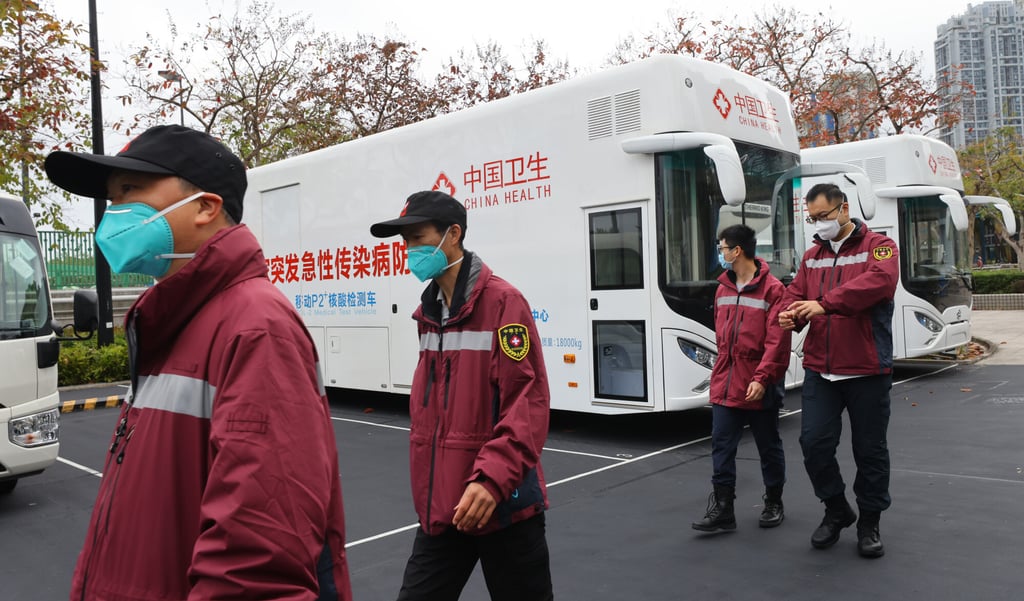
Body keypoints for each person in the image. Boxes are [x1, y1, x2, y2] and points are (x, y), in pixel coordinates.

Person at [44, 125, 352, 600]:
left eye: (130, 191)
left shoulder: (255, 326)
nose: (113, 213)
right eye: (111, 198)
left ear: (206, 207)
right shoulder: (174, 319)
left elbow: (257, 557)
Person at [370, 190, 553, 601]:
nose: (410, 251)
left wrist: (490, 481)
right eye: (406, 242)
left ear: (453, 234)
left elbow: (527, 402)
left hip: (500, 504)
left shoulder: (504, 303)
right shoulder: (429, 314)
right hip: (444, 508)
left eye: (418, 238)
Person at [779, 182, 899, 559]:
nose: (818, 224)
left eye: (824, 216)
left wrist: (823, 304)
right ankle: (836, 509)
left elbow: (879, 283)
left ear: (844, 210)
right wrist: (789, 313)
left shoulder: (880, 246)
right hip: (821, 370)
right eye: (812, 218)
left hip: (866, 369)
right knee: (813, 445)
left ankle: (869, 522)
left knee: (870, 451)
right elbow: (795, 293)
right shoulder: (812, 256)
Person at [692, 224, 791, 533]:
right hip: (726, 380)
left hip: (759, 382)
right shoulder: (722, 289)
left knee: (768, 445)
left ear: (737, 251)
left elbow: (778, 342)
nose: (720, 254)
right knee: (721, 445)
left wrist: (762, 379)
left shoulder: (774, 290)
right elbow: (723, 337)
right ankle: (723, 508)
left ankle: (774, 501)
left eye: (722, 249)